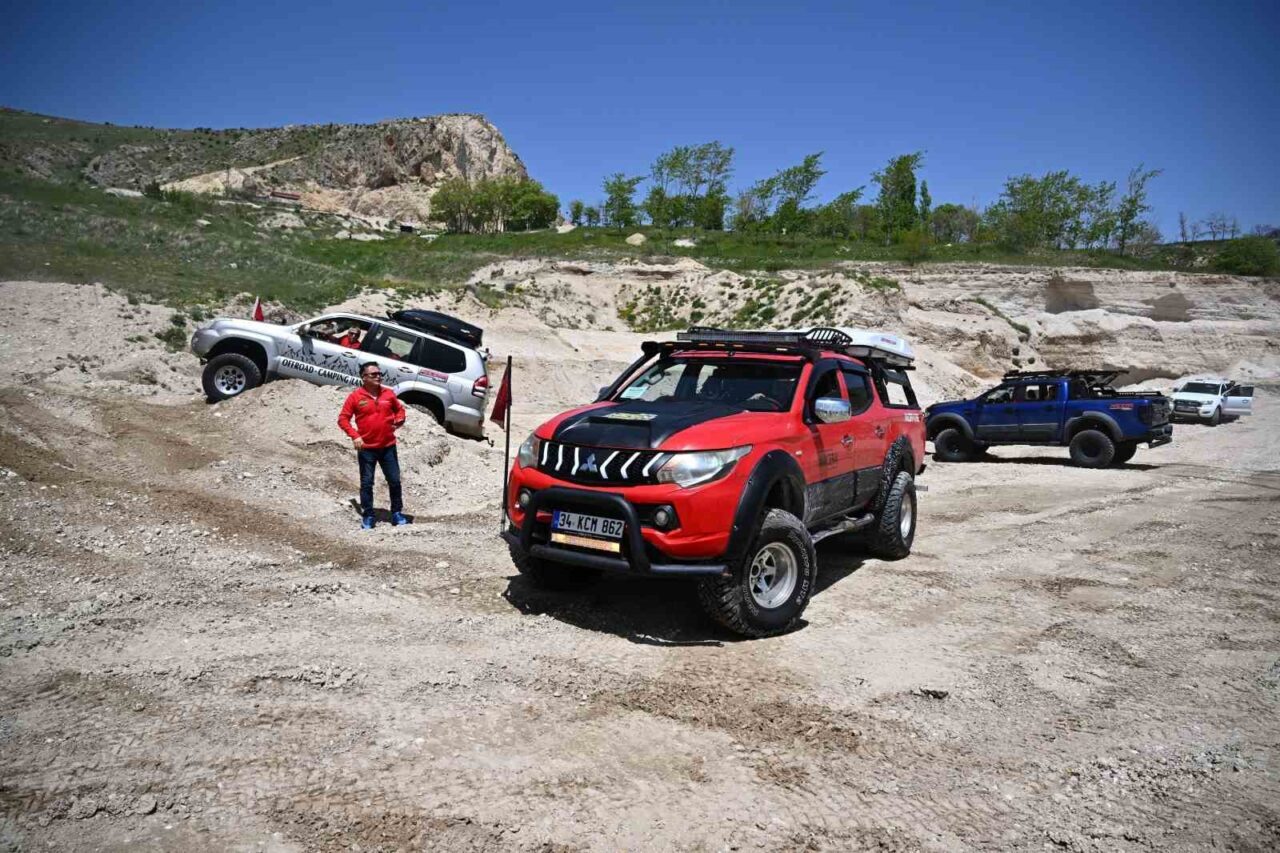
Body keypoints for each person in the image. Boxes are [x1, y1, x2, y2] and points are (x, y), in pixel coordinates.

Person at [338, 361, 408, 529]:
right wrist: (355, 436)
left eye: (379, 373)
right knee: (367, 483)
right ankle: (368, 515)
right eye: (373, 374)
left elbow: (399, 410)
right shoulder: (355, 397)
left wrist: (399, 420)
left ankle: (396, 513)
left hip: (388, 446)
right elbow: (343, 419)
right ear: (364, 377)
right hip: (367, 449)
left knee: (394, 480)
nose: (378, 376)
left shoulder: (388, 394)